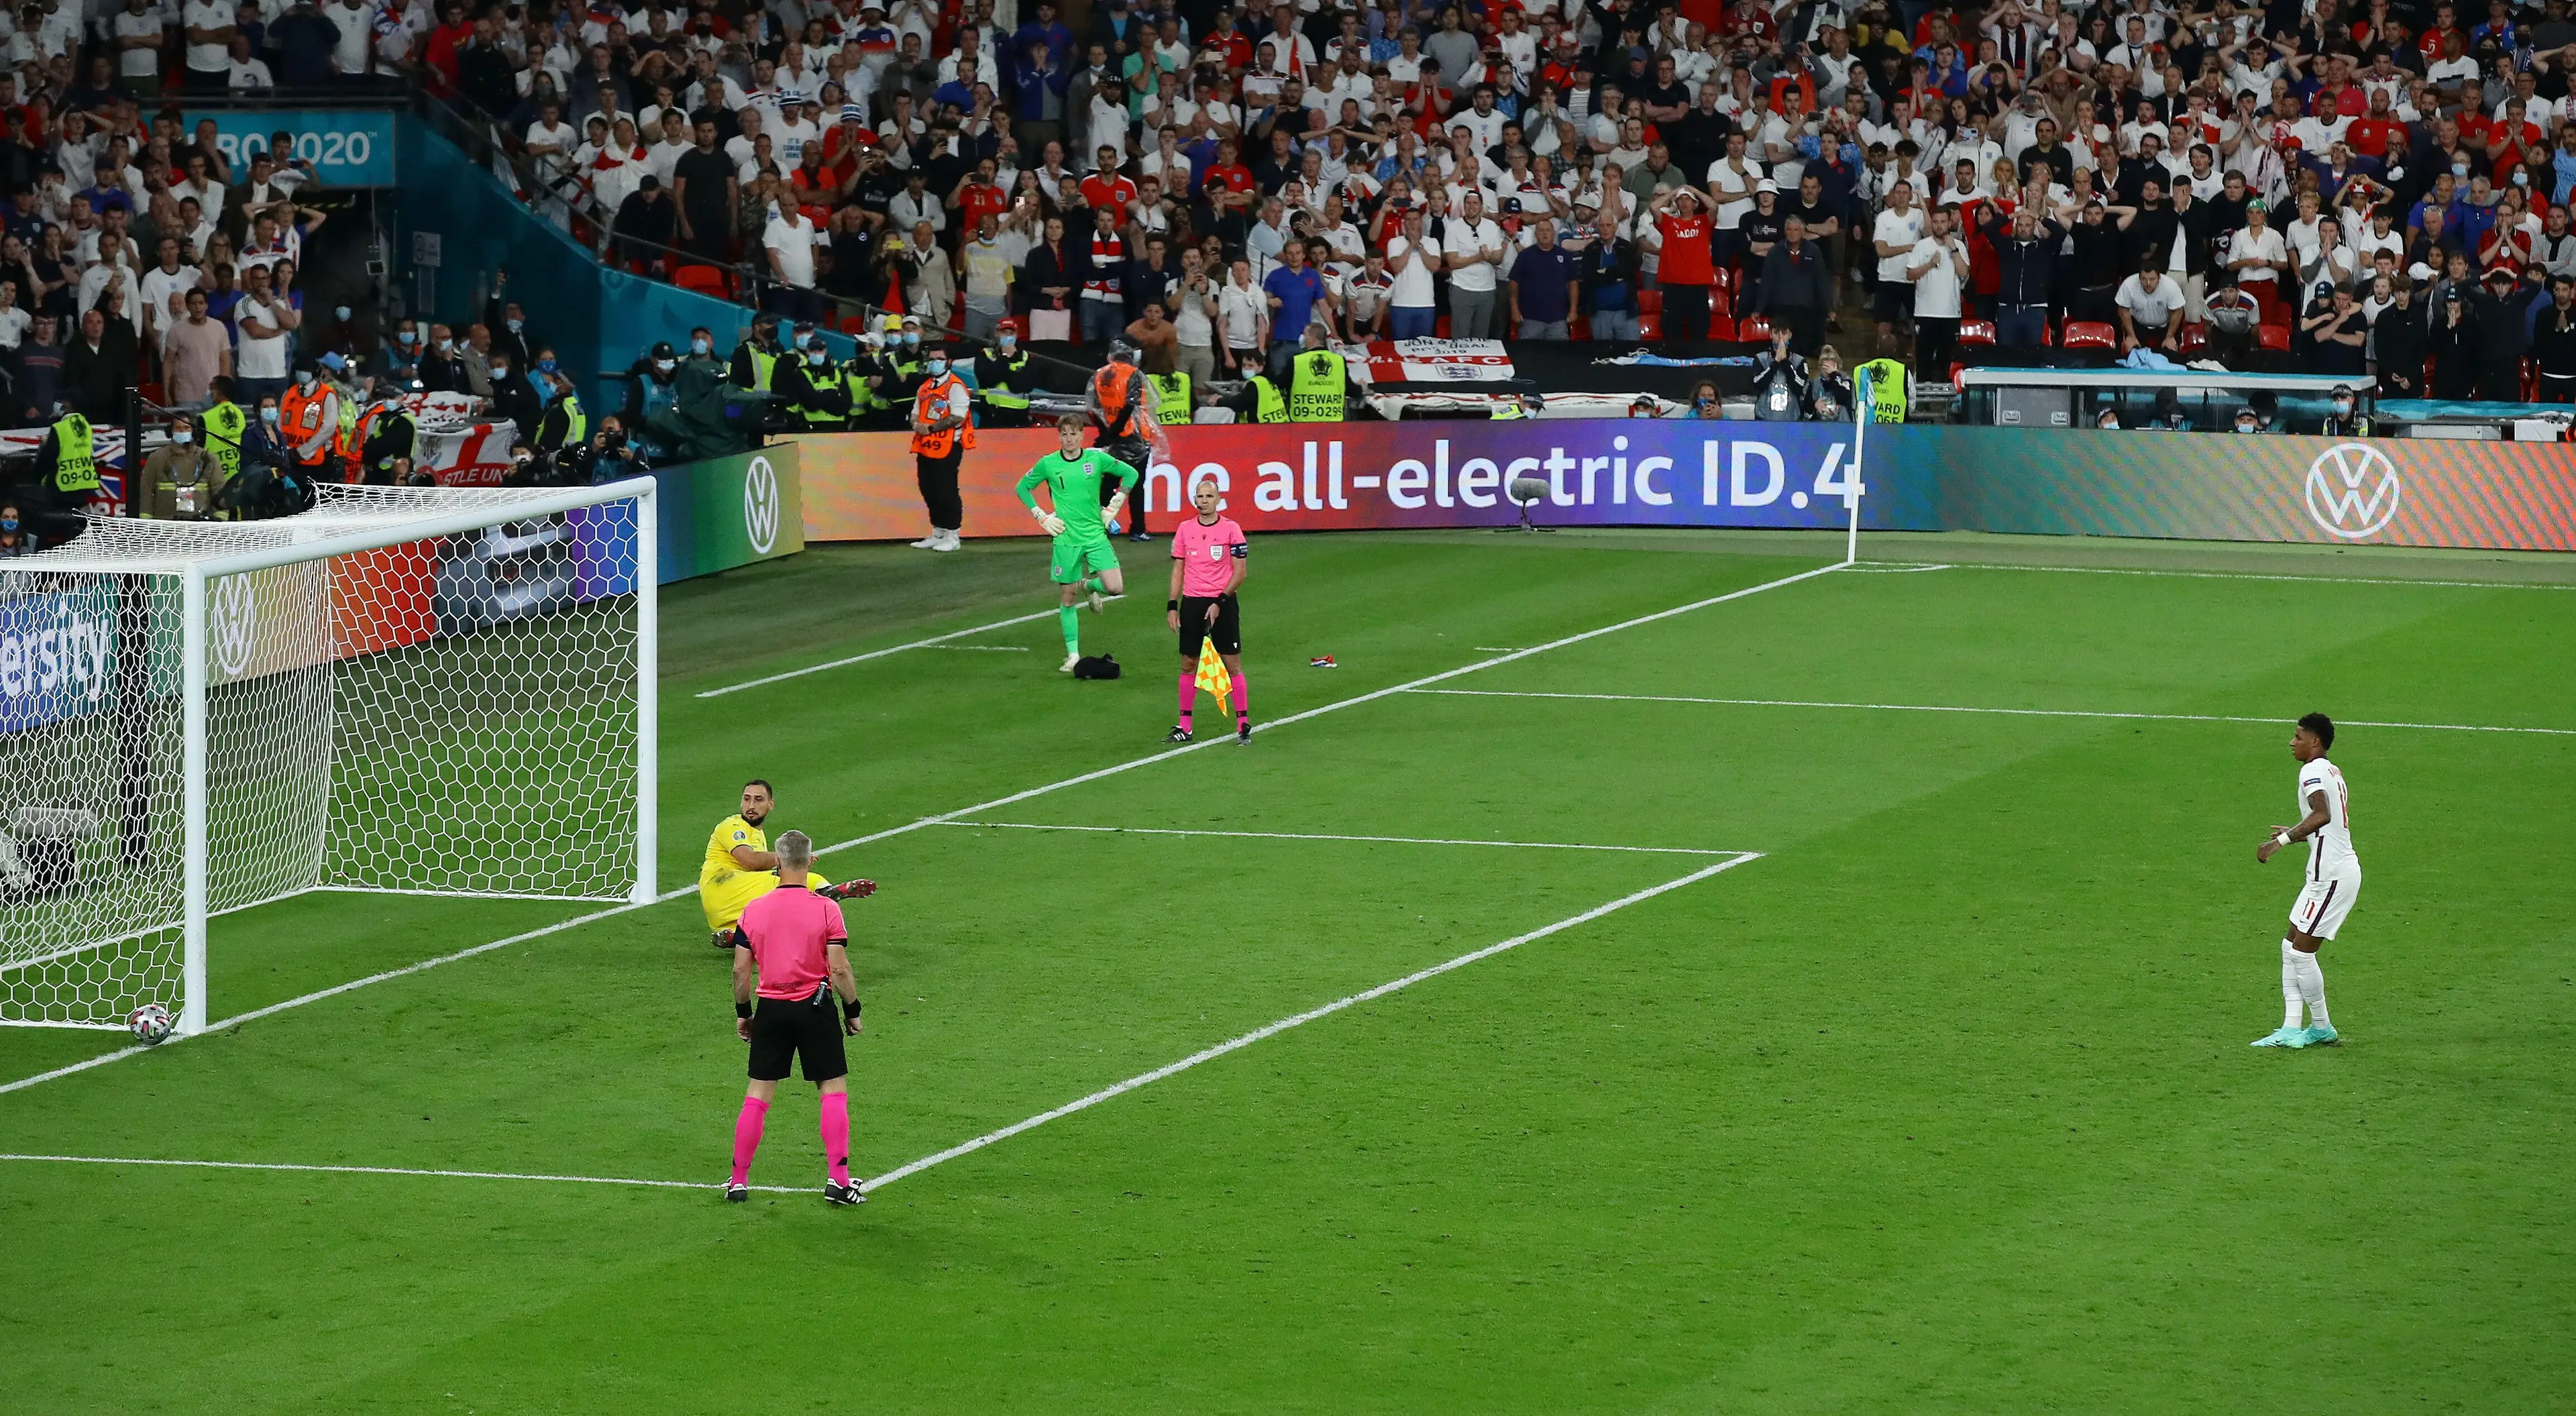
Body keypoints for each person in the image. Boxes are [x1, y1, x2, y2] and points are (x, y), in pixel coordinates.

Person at [726, 829, 867, 1206]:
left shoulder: (753, 910)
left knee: (757, 1095)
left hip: (771, 1010)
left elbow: (741, 971)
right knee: (832, 1090)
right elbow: (839, 970)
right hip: (815, 1007)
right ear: (810, 861)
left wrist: (745, 1014)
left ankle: (738, 1181)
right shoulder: (827, 909)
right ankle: (838, 1181)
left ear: (777, 859)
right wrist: (852, 1009)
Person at [2250, 713, 2359, 1049]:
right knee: (2290, 943)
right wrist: (2296, 834)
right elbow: (2327, 824)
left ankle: (2322, 1028)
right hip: (2324, 872)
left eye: (2298, 736)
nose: (2292, 742)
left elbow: (2322, 814)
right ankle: (2290, 1027)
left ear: (2315, 741)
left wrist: (2278, 844)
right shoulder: (2331, 770)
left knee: (2301, 953)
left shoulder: (2311, 770)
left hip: (2332, 875)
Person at [1016, 413, 1139, 673]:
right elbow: (1022, 488)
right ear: (1059, 436)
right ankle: (1073, 655)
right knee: (1068, 598)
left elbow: (1130, 473)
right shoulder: (1048, 464)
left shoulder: (1096, 458)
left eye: (1074, 433)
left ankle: (1089, 584)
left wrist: (1116, 503)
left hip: (1095, 534)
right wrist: (1041, 516)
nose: (1069, 438)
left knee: (1115, 588)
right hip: (1066, 538)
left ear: (1082, 435)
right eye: (1064, 434)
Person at [699, 779, 859, 949]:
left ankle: (736, 936)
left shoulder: (757, 835)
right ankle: (826, 891)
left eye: (758, 800)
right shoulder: (733, 825)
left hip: (724, 913)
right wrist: (791, 858)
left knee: (775, 922)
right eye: (747, 799)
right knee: (795, 883)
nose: (751, 805)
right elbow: (750, 860)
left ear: (770, 804)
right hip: (723, 887)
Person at [1165, 476, 1249, 744]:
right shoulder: (1184, 530)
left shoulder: (1232, 530)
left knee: (1231, 663)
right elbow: (1178, 569)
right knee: (1189, 663)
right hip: (1192, 603)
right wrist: (1172, 605)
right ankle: (1185, 726)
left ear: (1219, 500)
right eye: (1200, 497)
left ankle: (1243, 724)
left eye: (1209, 497)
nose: (1204, 501)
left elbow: (1241, 573)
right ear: (1194, 500)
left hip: (1223, 602)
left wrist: (1219, 602)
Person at [1086, 341, 1159, 540]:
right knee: (1136, 484)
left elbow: (1093, 408)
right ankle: (1138, 530)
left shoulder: (1099, 375)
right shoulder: (1134, 374)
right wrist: (1117, 431)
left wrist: (1106, 434)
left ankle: (1099, 526)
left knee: (1108, 483)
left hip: (1112, 436)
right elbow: (1131, 406)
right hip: (1135, 435)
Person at [908, 344, 973, 551]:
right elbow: (915, 411)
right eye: (932, 359)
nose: (934, 362)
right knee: (928, 489)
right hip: (925, 446)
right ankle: (938, 532)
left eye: (939, 358)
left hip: (948, 447)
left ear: (948, 361)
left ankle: (953, 536)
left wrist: (931, 428)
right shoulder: (926, 386)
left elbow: (957, 417)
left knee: (947, 491)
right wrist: (916, 425)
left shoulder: (955, 387)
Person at [136, 415, 226, 519]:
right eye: (178, 428)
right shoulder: (156, 458)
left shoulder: (208, 459)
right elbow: (146, 490)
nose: (183, 432)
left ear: (193, 430)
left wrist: (220, 519)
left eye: (186, 428)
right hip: (164, 523)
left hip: (200, 524)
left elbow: (219, 489)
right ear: (171, 431)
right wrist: (145, 521)